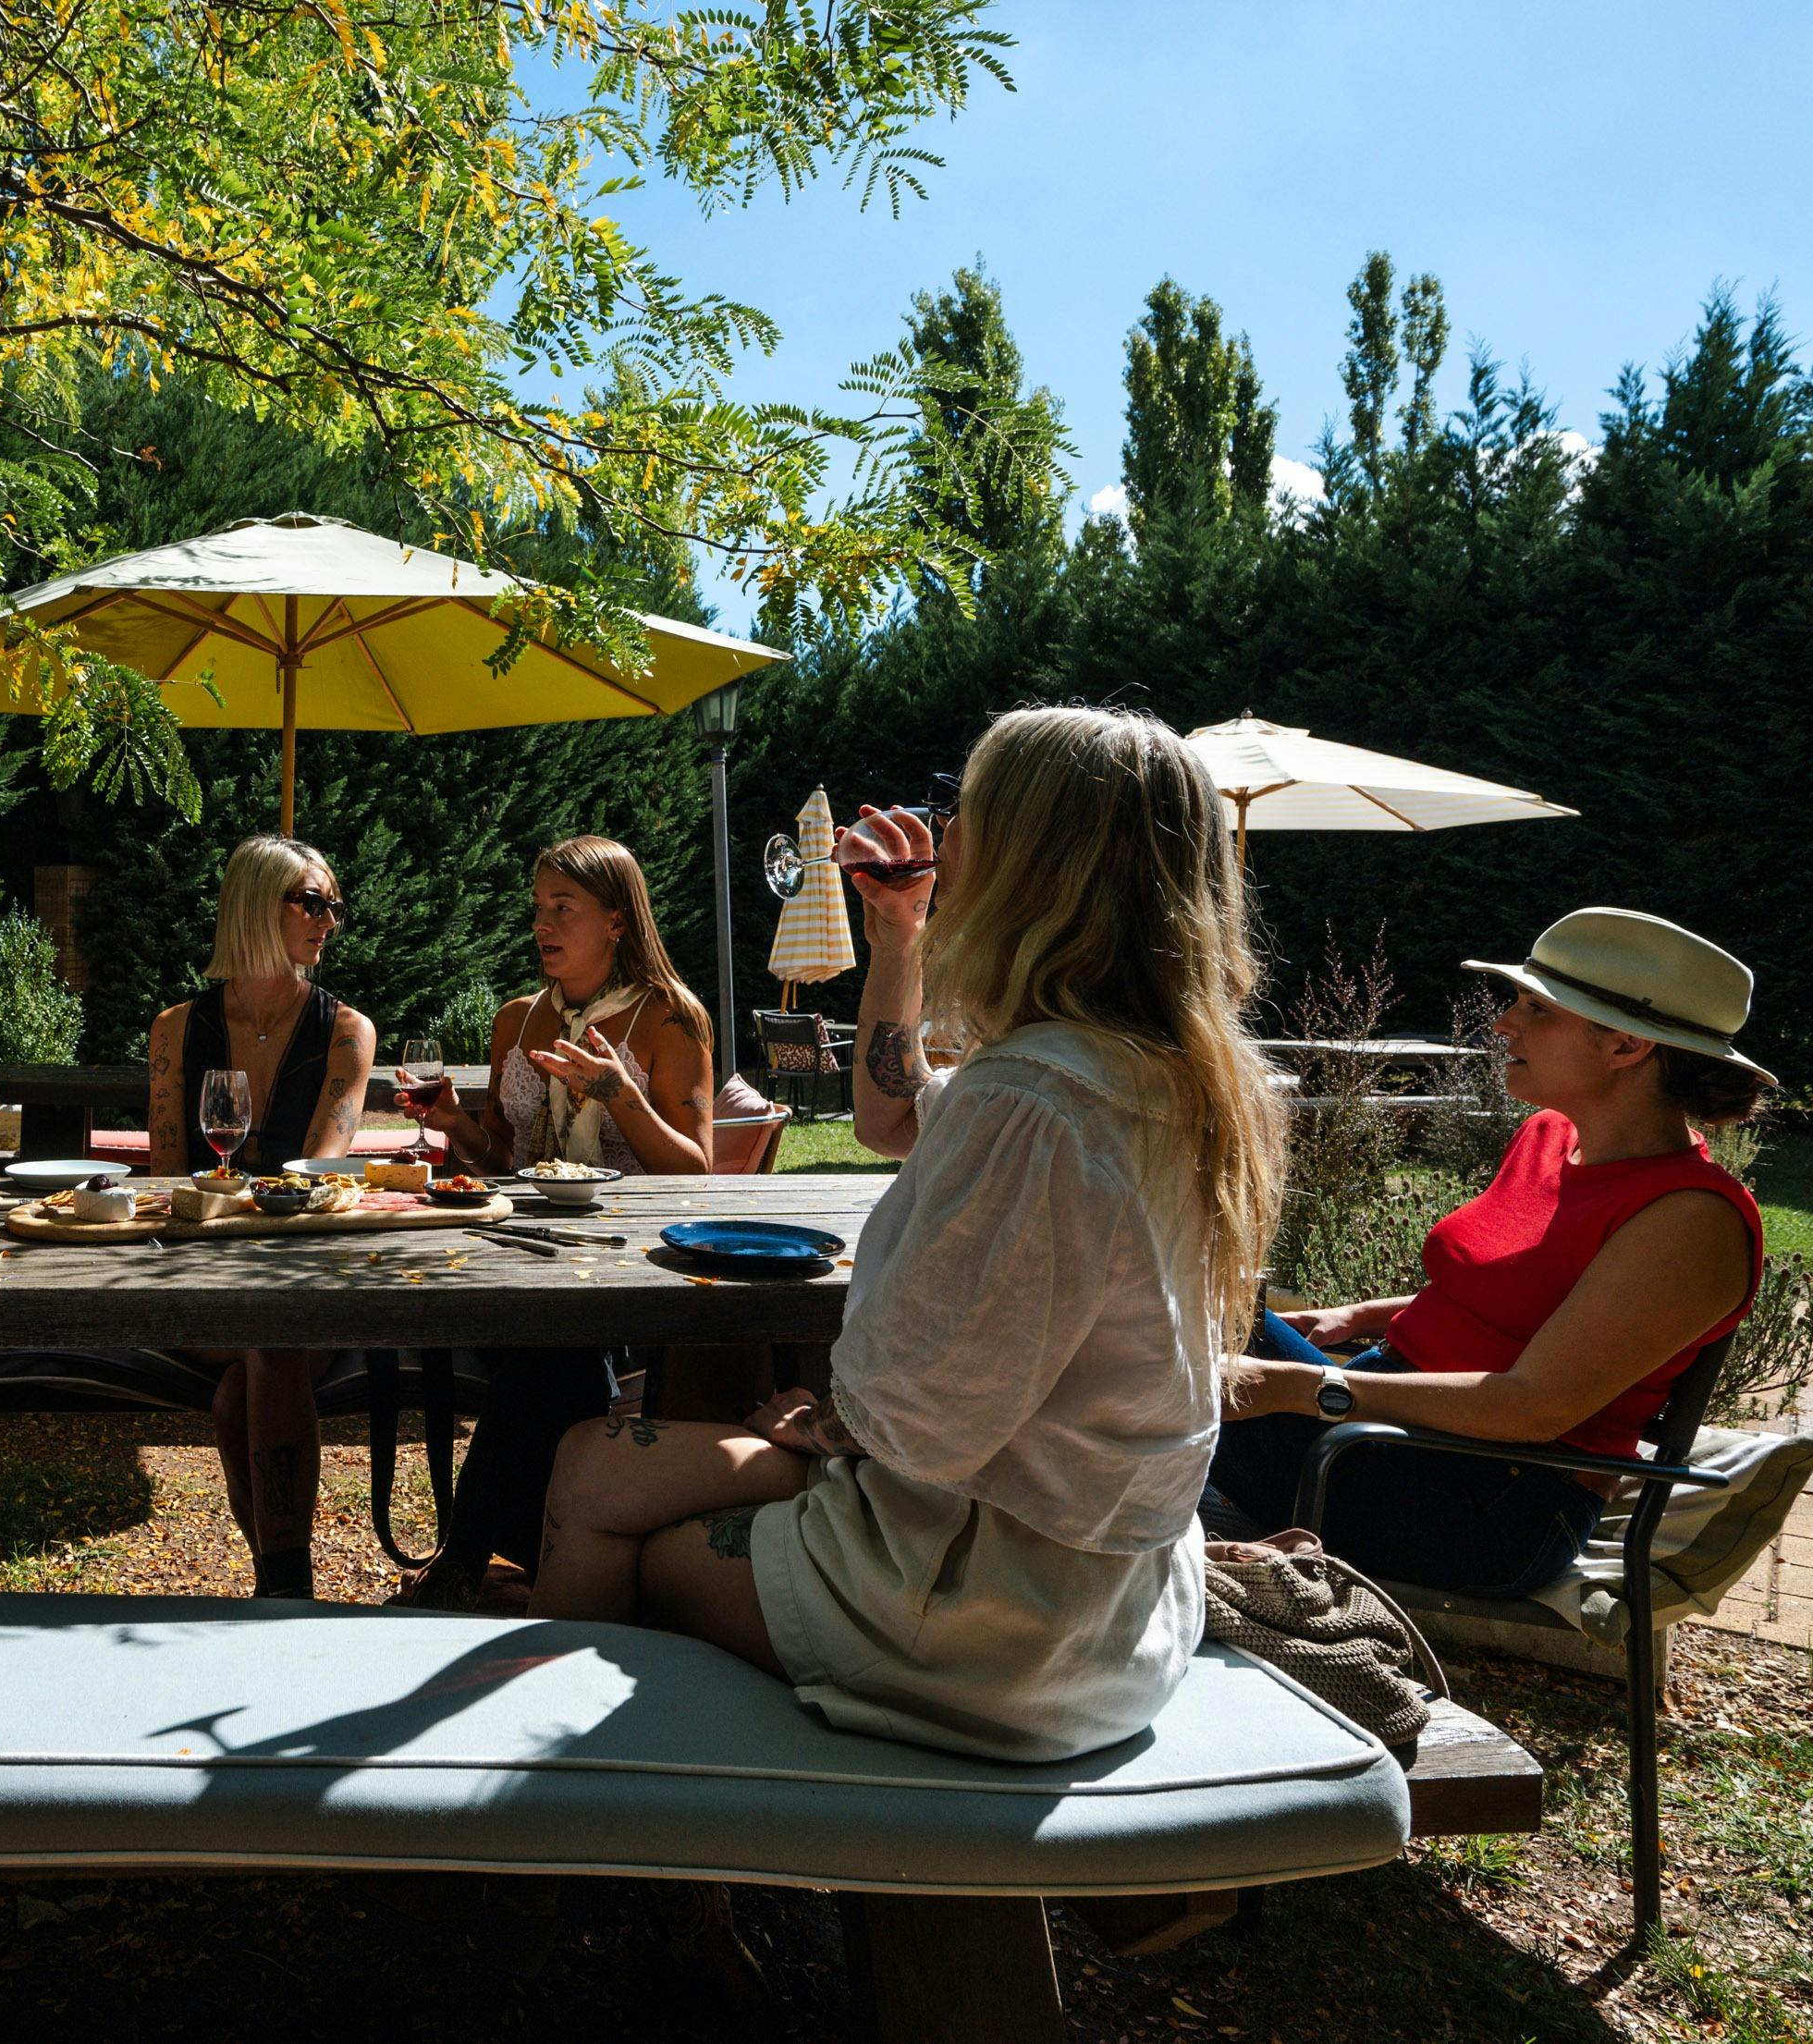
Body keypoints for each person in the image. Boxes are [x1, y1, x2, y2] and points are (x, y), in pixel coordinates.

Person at [530, 708, 1286, 1761]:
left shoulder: (1033, 1099)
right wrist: (898, 937)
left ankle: (602, 1816)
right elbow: (891, 1117)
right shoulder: (1174, 1077)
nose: (941, 826)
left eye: (961, 804)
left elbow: (920, 1422)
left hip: (981, 1617)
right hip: (1110, 1601)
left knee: (616, 1514)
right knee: (598, 1461)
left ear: (1035, 857)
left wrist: (829, 1420)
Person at [1212, 910, 1768, 1597]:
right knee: (1177, 1298)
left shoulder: (1691, 1222)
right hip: (1384, 1434)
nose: (1504, 1023)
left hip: (1485, 1500)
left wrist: (1295, 1385)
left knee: (1150, 1324)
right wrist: (1358, 1315)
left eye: (1536, 1008)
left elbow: (1532, 1408)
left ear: (1625, 1044)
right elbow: (1518, 1292)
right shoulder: (1548, 1135)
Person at [400, 835, 716, 1609]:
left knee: (558, 1344)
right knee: (557, 1344)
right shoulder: (519, 1019)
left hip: (631, 1265)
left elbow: (696, 1173)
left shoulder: (671, 1021)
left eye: (563, 908)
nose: (542, 924)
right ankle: (553, 1563)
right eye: (539, 908)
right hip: (513, 1247)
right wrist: (454, 1125)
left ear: (616, 919)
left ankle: (469, 1557)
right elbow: (502, 1155)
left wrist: (620, 1094)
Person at [144, 834, 378, 1598]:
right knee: (262, 1350)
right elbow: (166, 1179)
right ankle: (287, 1589)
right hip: (197, 1271)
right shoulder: (176, 1029)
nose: (329, 920)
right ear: (254, 902)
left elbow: (318, 1177)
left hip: (306, 1271)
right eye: (312, 901)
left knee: (262, 1351)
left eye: (333, 906)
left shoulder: (347, 1031)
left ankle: (281, 1588)